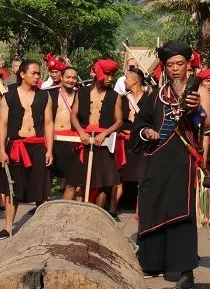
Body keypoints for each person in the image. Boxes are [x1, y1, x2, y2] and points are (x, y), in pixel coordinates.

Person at [133, 41, 210, 289]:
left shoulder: (198, 92)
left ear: (189, 65)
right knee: (153, 206)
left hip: (182, 163)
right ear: (164, 68)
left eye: (180, 64)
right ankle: (152, 262)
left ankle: (186, 270)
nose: (176, 69)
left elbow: (207, 127)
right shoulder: (155, 96)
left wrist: (197, 110)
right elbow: (139, 123)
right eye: (170, 65)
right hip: (155, 161)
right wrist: (146, 131)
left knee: (181, 212)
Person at [0, 60, 53, 239]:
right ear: (22, 74)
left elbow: (49, 124)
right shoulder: (9, 95)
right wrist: (2, 150)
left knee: (40, 188)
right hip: (16, 146)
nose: (37, 76)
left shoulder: (45, 96)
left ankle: (40, 227)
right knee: (14, 187)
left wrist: (49, 149)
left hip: (37, 146)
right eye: (34, 73)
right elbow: (3, 124)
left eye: (38, 73)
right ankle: (8, 226)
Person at [67, 58, 123, 210]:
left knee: (103, 184)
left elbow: (118, 121)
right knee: (74, 181)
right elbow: (73, 115)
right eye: (107, 75)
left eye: (112, 75)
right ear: (98, 74)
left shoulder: (115, 95)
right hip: (83, 141)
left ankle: (97, 216)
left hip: (102, 143)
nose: (110, 78)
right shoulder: (82, 92)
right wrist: (81, 132)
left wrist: (104, 133)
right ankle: (65, 215)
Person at [111, 66, 149, 215]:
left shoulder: (150, 98)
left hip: (141, 142)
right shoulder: (121, 98)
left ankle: (143, 210)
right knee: (118, 176)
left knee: (143, 176)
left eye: (126, 78)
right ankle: (113, 209)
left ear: (134, 80)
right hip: (124, 142)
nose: (124, 81)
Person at [47, 66, 84, 199]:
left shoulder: (81, 95)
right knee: (47, 173)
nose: (71, 80)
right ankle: (43, 203)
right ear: (61, 77)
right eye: (68, 77)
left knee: (74, 176)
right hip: (52, 138)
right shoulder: (50, 94)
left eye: (74, 78)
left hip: (71, 140)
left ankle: (74, 204)